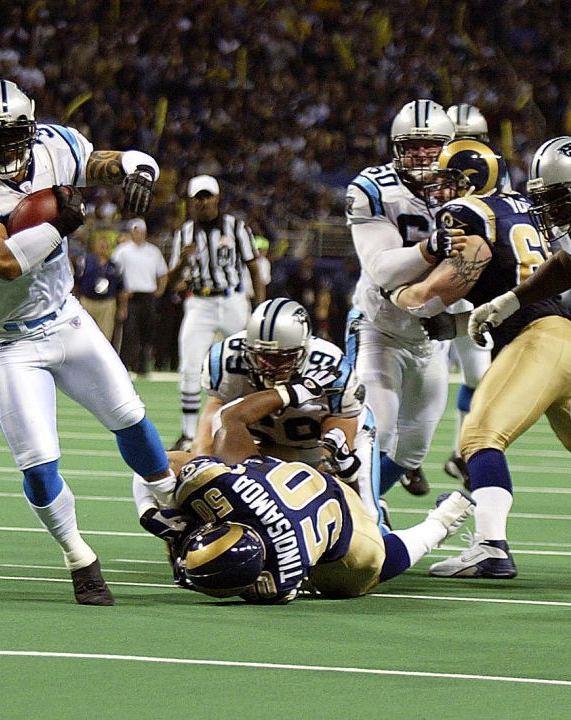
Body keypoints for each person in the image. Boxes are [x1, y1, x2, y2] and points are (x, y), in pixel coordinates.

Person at [0, 78, 177, 605]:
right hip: (10, 342)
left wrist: (139, 166)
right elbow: (4, 261)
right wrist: (60, 223)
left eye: (13, 136)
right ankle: (78, 555)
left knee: (131, 418)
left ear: (31, 126)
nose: (5, 151)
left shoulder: (55, 146)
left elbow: (112, 161)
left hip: (67, 321)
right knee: (38, 466)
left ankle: (174, 507)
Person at [385, 138, 571, 579]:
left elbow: (442, 288)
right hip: (570, 340)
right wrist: (458, 323)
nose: (440, 190)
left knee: (478, 438)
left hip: (536, 339)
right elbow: (512, 272)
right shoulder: (524, 206)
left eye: (449, 180)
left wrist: (399, 293)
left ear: (470, 180)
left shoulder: (468, 212)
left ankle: (490, 546)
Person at [160, 376, 475, 604]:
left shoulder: (280, 576)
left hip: (344, 519)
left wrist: (162, 514)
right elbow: (229, 418)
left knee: (367, 568)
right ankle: (348, 467)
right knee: (212, 437)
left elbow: (160, 469)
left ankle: (442, 522)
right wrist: (290, 392)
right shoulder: (222, 485)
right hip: (301, 480)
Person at [470, 136, 571, 578]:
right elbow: (568, 262)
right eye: (543, 199)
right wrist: (509, 302)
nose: (549, 210)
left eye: (557, 199)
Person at [182, 299, 385, 527]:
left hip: (331, 441)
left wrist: (329, 458)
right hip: (272, 442)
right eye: (262, 356)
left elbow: (343, 419)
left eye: (280, 357)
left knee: (366, 520)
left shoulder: (330, 365)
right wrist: (204, 462)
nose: (268, 365)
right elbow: (216, 412)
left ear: (302, 350)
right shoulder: (228, 358)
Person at [344, 99, 459, 499]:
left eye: (432, 145)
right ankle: (357, 512)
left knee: (413, 448)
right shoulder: (373, 188)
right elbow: (382, 268)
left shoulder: (470, 185)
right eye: (413, 145)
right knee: (379, 430)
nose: (423, 154)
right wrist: (432, 248)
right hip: (381, 326)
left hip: (431, 335)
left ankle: (366, 499)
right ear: (396, 148)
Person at [164, 174, 266, 451]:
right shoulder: (184, 234)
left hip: (232, 300)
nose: (203, 203)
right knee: (189, 365)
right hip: (199, 302)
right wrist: (181, 263)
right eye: (198, 198)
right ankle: (187, 434)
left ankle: (258, 427)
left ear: (217, 198)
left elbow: (254, 268)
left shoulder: (236, 228)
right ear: (190, 202)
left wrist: (259, 308)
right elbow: (168, 284)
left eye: (207, 196)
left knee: (252, 361)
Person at [440, 103, 497, 486]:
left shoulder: (496, 177)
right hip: (430, 285)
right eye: (458, 140)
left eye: (473, 141)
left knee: (480, 377)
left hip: (472, 286)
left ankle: (463, 453)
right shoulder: (427, 177)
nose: (466, 150)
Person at [111, 218, 167, 376]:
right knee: (129, 331)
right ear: (131, 232)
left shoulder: (153, 251)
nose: (138, 234)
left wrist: (160, 290)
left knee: (147, 331)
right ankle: (127, 364)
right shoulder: (123, 250)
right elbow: (115, 272)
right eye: (135, 231)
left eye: (140, 231)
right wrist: (121, 292)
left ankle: (142, 366)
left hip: (148, 295)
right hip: (131, 295)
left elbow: (162, 273)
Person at [74, 231, 123, 341]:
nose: (103, 247)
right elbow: (77, 282)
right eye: (100, 244)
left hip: (107, 303)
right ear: (94, 246)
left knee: (105, 335)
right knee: (84, 333)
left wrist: (122, 308)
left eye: (106, 245)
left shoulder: (114, 265)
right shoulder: (85, 261)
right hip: (87, 301)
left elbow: (121, 288)